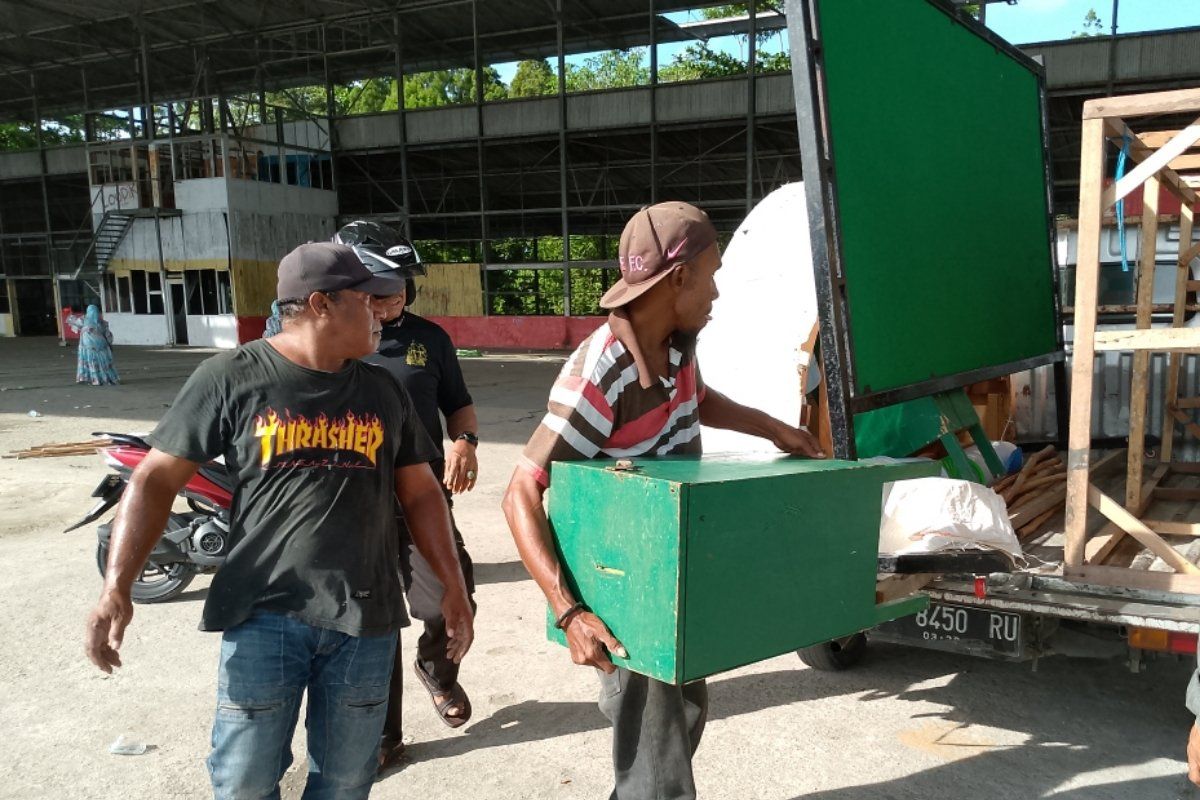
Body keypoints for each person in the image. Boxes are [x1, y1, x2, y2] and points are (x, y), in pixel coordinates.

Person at [83, 242, 474, 800]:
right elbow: (153, 480)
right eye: (366, 301)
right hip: (263, 614)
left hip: (365, 618)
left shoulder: (382, 389)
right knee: (244, 781)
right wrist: (115, 587)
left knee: (344, 782)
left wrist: (453, 587)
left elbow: (422, 495)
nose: (382, 312)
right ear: (320, 303)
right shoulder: (231, 377)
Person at [501, 201, 825, 800]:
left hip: (673, 568)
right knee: (656, 744)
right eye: (712, 275)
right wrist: (568, 611)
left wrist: (774, 429)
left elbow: (699, 398)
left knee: (682, 711)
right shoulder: (602, 376)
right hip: (627, 587)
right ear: (677, 279)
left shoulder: (678, 342)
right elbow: (521, 487)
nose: (718, 292)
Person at [334, 220, 480, 771]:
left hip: (421, 497)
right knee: (374, 623)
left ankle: (436, 669)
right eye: (382, 284)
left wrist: (464, 441)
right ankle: (385, 736)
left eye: (402, 284)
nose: (396, 293)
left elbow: (457, 403)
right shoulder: (328, 344)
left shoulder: (430, 339)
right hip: (354, 506)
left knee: (453, 594)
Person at [76, 304, 119, 385]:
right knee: (103, 363)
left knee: (91, 362)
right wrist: (110, 344)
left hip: (88, 347)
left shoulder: (83, 320)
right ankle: (106, 378)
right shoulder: (102, 323)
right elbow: (108, 336)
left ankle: (92, 379)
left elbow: (74, 325)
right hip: (102, 347)